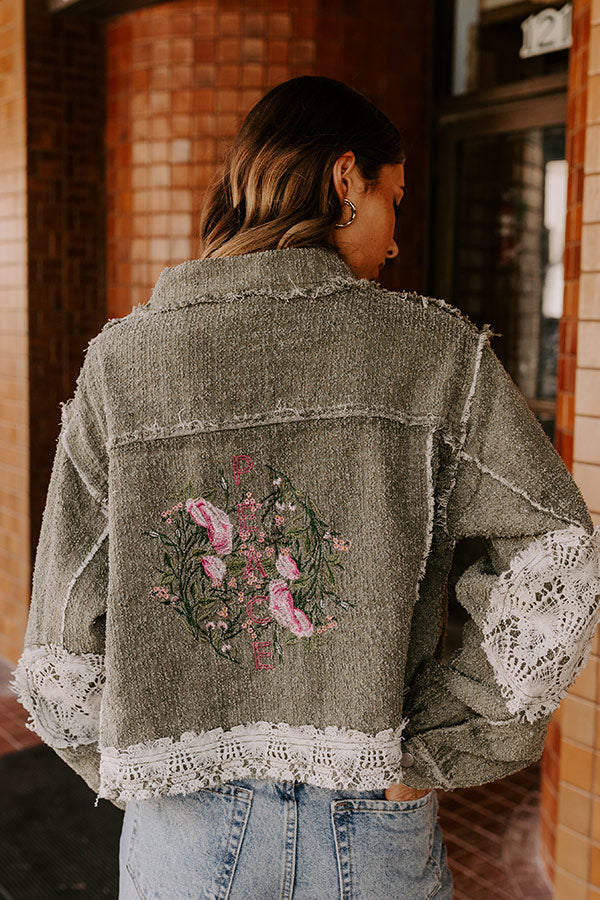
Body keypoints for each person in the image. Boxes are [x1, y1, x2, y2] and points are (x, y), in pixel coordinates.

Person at [10, 75, 600, 900]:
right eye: (395, 200)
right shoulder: (432, 354)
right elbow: (558, 553)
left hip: (184, 830)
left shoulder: (123, 364)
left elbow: (63, 632)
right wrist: (444, 743)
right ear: (345, 178)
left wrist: (136, 750)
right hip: (371, 822)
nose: (395, 242)